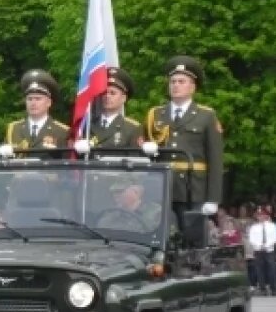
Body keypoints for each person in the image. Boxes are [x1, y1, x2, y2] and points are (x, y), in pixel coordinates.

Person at [145, 56, 224, 216]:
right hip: (161, 188)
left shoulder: (206, 116)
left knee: (192, 238)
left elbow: (215, 159)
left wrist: (213, 198)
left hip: (193, 190)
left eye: (181, 81)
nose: (176, 85)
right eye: (173, 82)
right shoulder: (156, 114)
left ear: (192, 87)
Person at [3, 70, 69, 157]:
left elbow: (67, 165)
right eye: (30, 99)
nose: (33, 103)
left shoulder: (62, 131)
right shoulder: (13, 129)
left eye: (38, 99)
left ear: (48, 103)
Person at [89, 67, 144, 150]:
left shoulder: (132, 128)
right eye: (104, 92)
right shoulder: (88, 125)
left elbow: (134, 159)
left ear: (123, 98)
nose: (107, 96)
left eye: (112, 93)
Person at [96, 176, 163, 232]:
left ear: (136, 192)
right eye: (114, 192)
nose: (115, 195)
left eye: (120, 191)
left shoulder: (156, 213)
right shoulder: (111, 215)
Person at [248, 206, 276, 296]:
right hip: (258, 250)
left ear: (266, 216)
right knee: (259, 270)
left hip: (269, 250)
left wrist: (266, 245)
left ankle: (273, 288)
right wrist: (259, 245)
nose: (260, 217)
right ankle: (262, 288)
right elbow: (251, 239)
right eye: (259, 215)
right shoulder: (254, 227)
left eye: (262, 215)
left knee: (271, 269)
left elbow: (275, 238)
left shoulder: (272, 225)